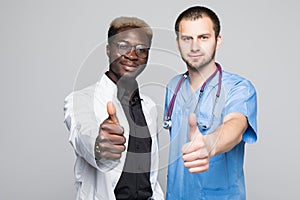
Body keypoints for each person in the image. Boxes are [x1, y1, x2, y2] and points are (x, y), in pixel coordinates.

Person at [64, 16, 164, 200]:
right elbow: (82, 134)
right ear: (109, 49)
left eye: (141, 50)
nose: (132, 55)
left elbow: (150, 173)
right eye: (123, 46)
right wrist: (99, 146)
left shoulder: (149, 107)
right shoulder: (81, 100)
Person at [163, 6, 257, 199]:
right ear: (177, 42)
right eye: (187, 38)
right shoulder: (173, 86)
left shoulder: (239, 88)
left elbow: (236, 125)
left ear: (218, 40)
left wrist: (209, 143)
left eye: (203, 37)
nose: (194, 47)